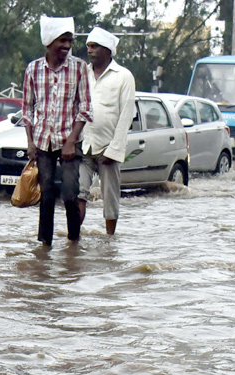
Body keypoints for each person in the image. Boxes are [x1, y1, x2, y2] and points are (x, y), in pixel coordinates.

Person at [22, 16, 92, 245]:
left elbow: (85, 108)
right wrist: (30, 143)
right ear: (49, 42)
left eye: (69, 41)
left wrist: (72, 141)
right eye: (62, 41)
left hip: (69, 140)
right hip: (42, 141)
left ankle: (73, 243)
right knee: (47, 195)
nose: (67, 46)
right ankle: (44, 246)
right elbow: (27, 109)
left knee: (71, 195)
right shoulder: (33, 69)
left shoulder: (79, 68)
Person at [78, 27, 136, 236]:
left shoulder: (123, 76)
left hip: (108, 148)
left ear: (108, 51)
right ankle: (74, 238)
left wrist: (114, 150)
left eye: (94, 47)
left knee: (110, 199)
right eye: (88, 46)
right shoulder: (82, 73)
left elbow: (126, 116)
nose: (90, 51)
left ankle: (110, 241)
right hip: (84, 144)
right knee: (78, 193)